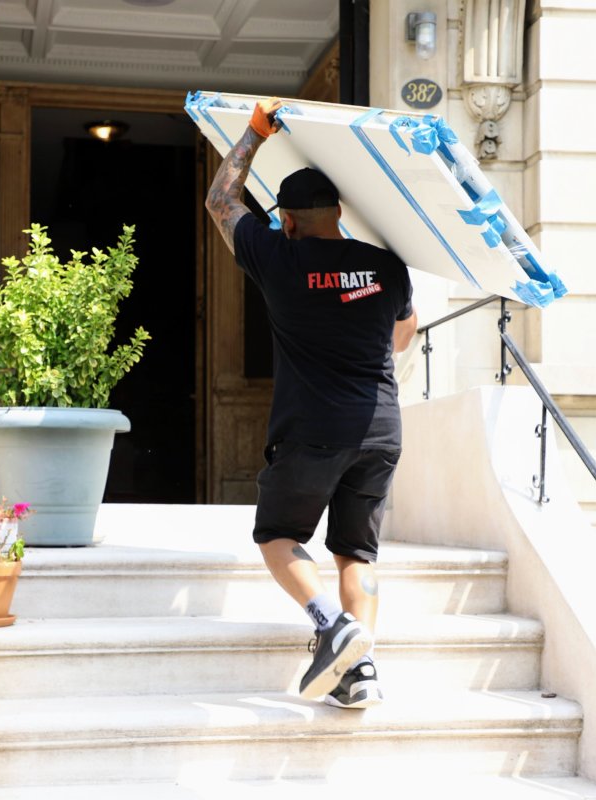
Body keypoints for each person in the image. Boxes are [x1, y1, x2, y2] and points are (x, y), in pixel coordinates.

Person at [205, 98, 417, 709]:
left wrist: (253, 133)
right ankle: (362, 667)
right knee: (357, 550)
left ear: (289, 221)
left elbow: (221, 201)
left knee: (278, 534)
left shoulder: (278, 257)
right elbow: (406, 330)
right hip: (380, 426)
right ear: (340, 214)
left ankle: (331, 623)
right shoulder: (386, 267)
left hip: (313, 428)